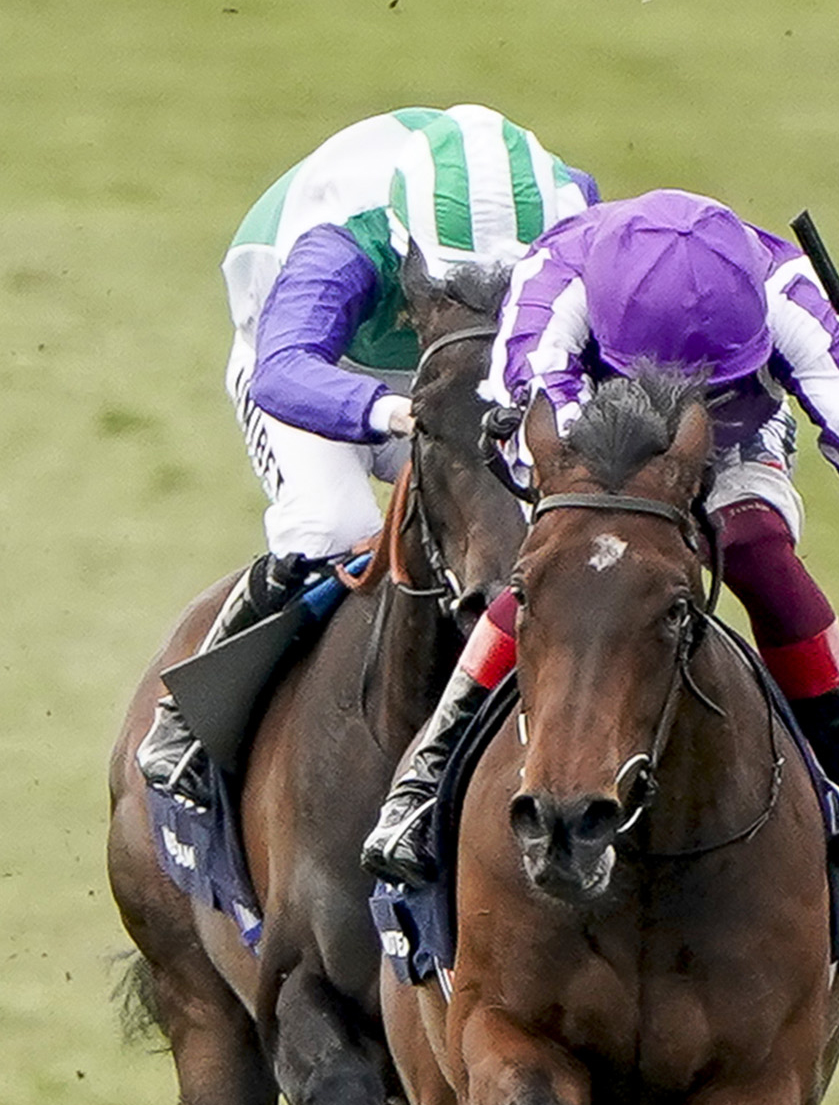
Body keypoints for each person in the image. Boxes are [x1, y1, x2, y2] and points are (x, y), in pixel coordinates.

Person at [362, 190, 839, 899]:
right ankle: (424, 779)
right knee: (558, 568)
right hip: (593, 442)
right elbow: (529, 415)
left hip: (731, 440)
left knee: (758, 550)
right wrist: (613, 504)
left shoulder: (786, 291)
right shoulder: (555, 279)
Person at [137, 106, 596, 800]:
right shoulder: (345, 243)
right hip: (335, 369)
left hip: (474, 376)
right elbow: (283, 369)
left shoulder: (573, 209)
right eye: (455, 283)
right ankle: (193, 719)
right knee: (332, 524)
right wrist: (396, 416)